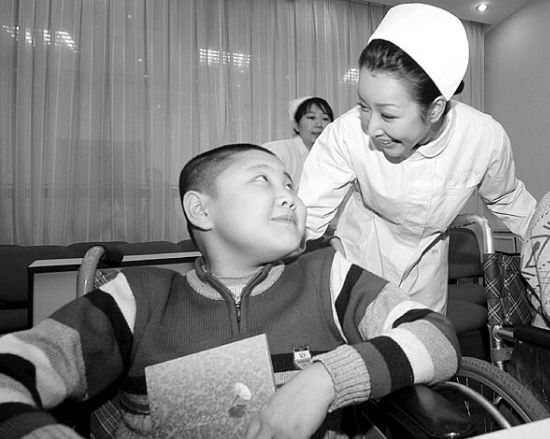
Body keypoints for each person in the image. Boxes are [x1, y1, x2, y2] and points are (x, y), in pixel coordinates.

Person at [0, 144, 460, 439]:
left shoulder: (326, 277)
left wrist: (325, 380)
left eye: (290, 184)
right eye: (262, 180)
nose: (290, 196)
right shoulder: (139, 298)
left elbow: (437, 337)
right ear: (200, 210)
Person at [298, 3, 536, 313]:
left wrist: (545, 241)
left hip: (427, 273)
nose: (371, 128)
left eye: (388, 114)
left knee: (422, 339)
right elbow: (307, 216)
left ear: (435, 109)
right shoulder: (346, 133)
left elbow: (509, 199)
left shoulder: (482, 138)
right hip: (360, 258)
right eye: (364, 107)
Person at [263, 96, 334, 188]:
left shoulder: (330, 159)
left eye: (325, 118)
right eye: (311, 117)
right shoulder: (281, 150)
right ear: (296, 125)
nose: (319, 124)